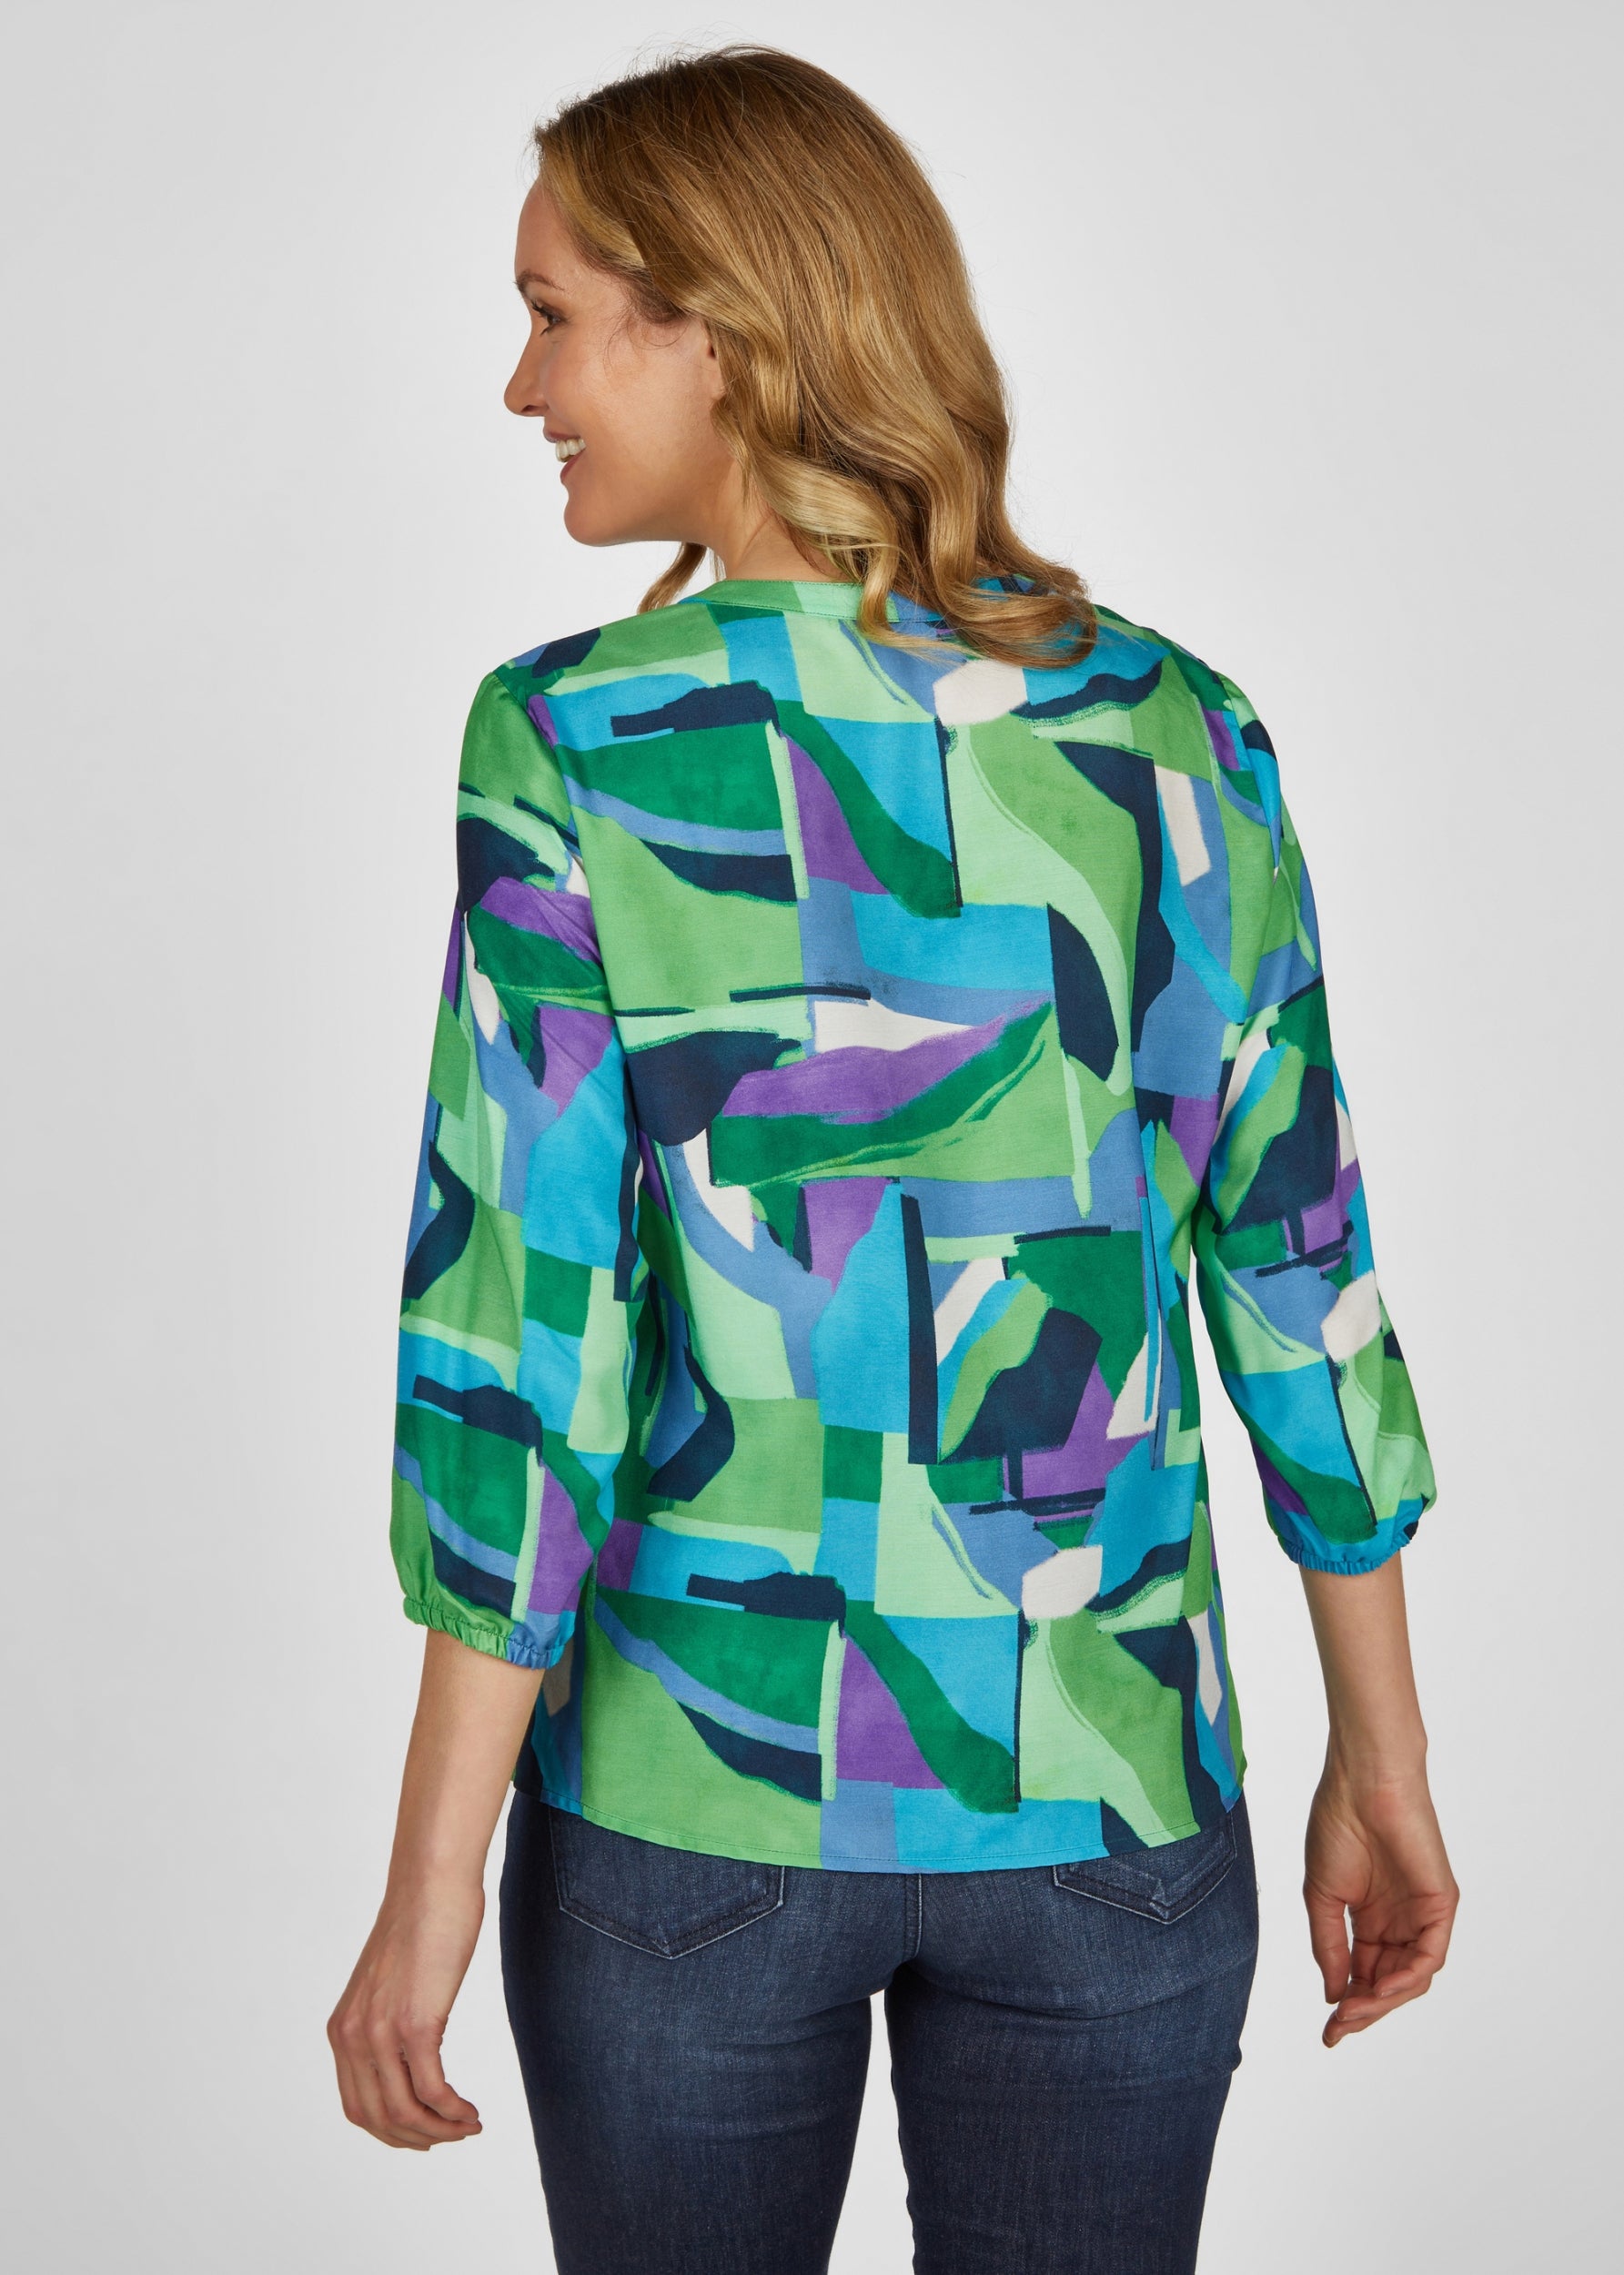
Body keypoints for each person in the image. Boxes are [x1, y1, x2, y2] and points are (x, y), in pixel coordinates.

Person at [328, 43, 1458, 2275]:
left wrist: (430, 1880)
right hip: (1109, 1787)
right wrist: (1381, 1748)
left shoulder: (574, 744)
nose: (519, 383)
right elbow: (1294, 1272)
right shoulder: (1176, 732)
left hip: (693, 1795)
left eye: (554, 315)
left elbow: (522, 1348)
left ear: (719, 331)